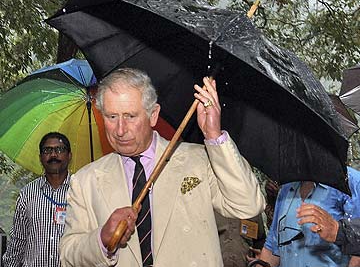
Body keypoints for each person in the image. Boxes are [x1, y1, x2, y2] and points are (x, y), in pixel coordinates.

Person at [59, 67, 265, 267]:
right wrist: (102, 240)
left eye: (130, 116)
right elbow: (68, 255)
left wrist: (213, 135)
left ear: (154, 115)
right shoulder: (85, 180)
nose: (120, 130)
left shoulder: (199, 160)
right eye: (112, 117)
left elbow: (247, 205)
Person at [254, 178, 360, 267]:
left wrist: (336, 230)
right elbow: (273, 244)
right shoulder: (287, 187)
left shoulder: (351, 182)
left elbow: (357, 254)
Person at [2, 132, 72, 267]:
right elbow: (18, 240)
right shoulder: (27, 194)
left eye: (59, 149)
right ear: (40, 157)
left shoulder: (82, 190)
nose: (53, 155)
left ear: (69, 156)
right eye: (47, 150)